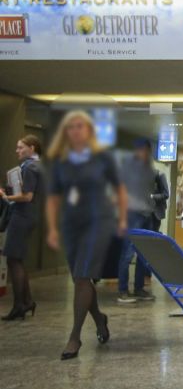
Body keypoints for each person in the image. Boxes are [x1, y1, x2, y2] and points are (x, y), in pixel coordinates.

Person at [46, 111, 128, 361]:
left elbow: (119, 189)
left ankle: (75, 337)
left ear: (89, 130)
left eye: (80, 126)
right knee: (81, 279)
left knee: (83, 276)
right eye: (70, 127)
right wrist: (52, 228)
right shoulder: (60, 161)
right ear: (65, 132)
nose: (75, 130)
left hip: (98, 222)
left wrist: (122, 219)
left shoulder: (102, 157)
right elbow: (53, 197)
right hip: (72, 224)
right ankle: (100, 320)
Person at [1, 135, 45, 320]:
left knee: (12, 259)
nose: (17, 150)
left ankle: (20, 304)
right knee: (16, 259)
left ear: (32, 148)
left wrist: (5, 197)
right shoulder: (37, 166)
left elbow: (27, 196)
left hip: (22, 216)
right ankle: (26, 302)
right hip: (29, 216)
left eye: (21, 147)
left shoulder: (30, 167)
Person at [116, 138, 158, 304]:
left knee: (143, 254)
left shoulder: (149, 167)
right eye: (142, 150)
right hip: (132, 214)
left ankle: (139, 288)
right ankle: (123, 290)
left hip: (146, 214)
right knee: (127, 254)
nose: (145, 153)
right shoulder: (128, 167)